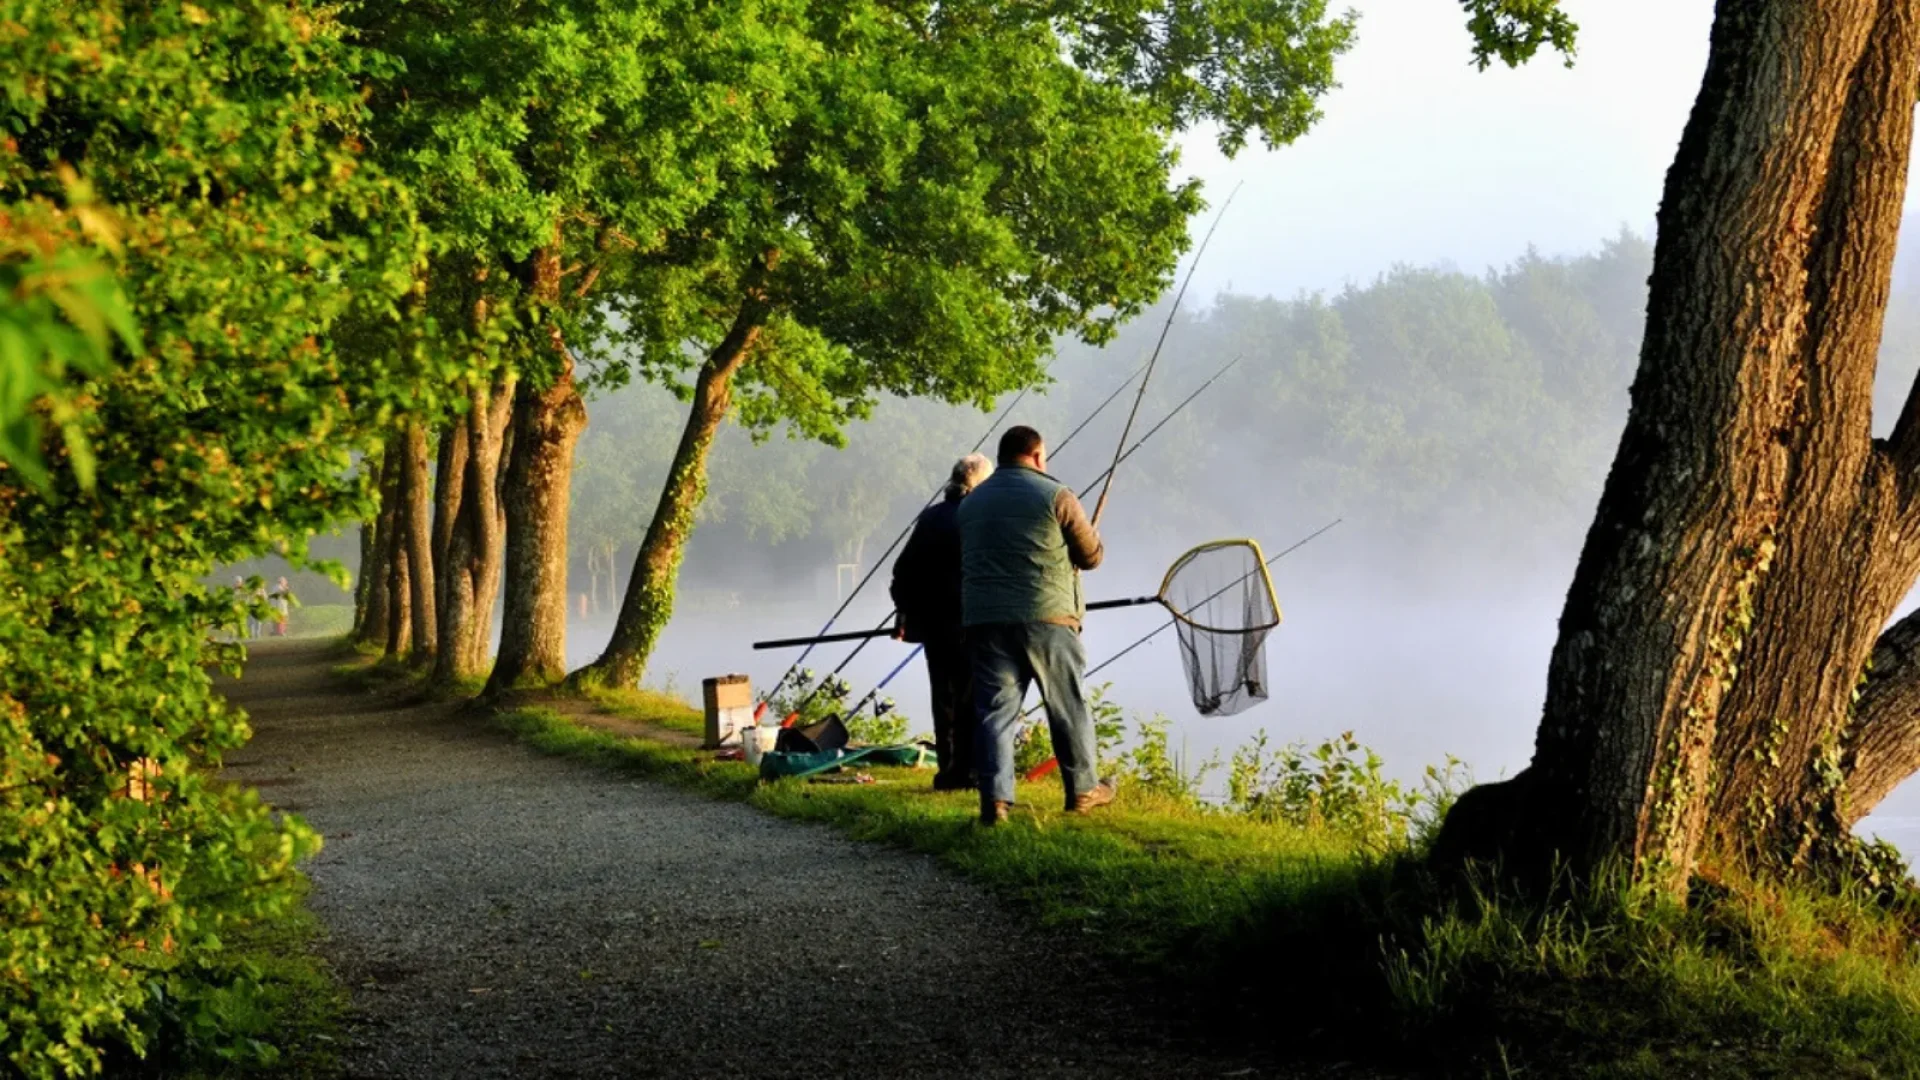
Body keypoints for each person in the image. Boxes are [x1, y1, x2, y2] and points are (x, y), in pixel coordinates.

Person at [957, 425, 1114, 826]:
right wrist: (1092, 542)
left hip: (985, 620)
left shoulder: (970, 504)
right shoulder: (1056, 495)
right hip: (1048, 618)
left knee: (995, 714)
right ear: (1038, 456)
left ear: (1003, 456)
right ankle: (1082, 790)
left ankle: (995, 802)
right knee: (1067, 706)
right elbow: (1090, 556)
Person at [891, 453, 995, 791]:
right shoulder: (979, 519)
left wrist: (905, 612)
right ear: (979, 485)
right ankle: (968, 771)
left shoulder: (931, 517)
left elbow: (902, 571)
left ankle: (949, 770)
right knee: (972, 698)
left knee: (944, 699)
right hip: (970, 622)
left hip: (933, 627)